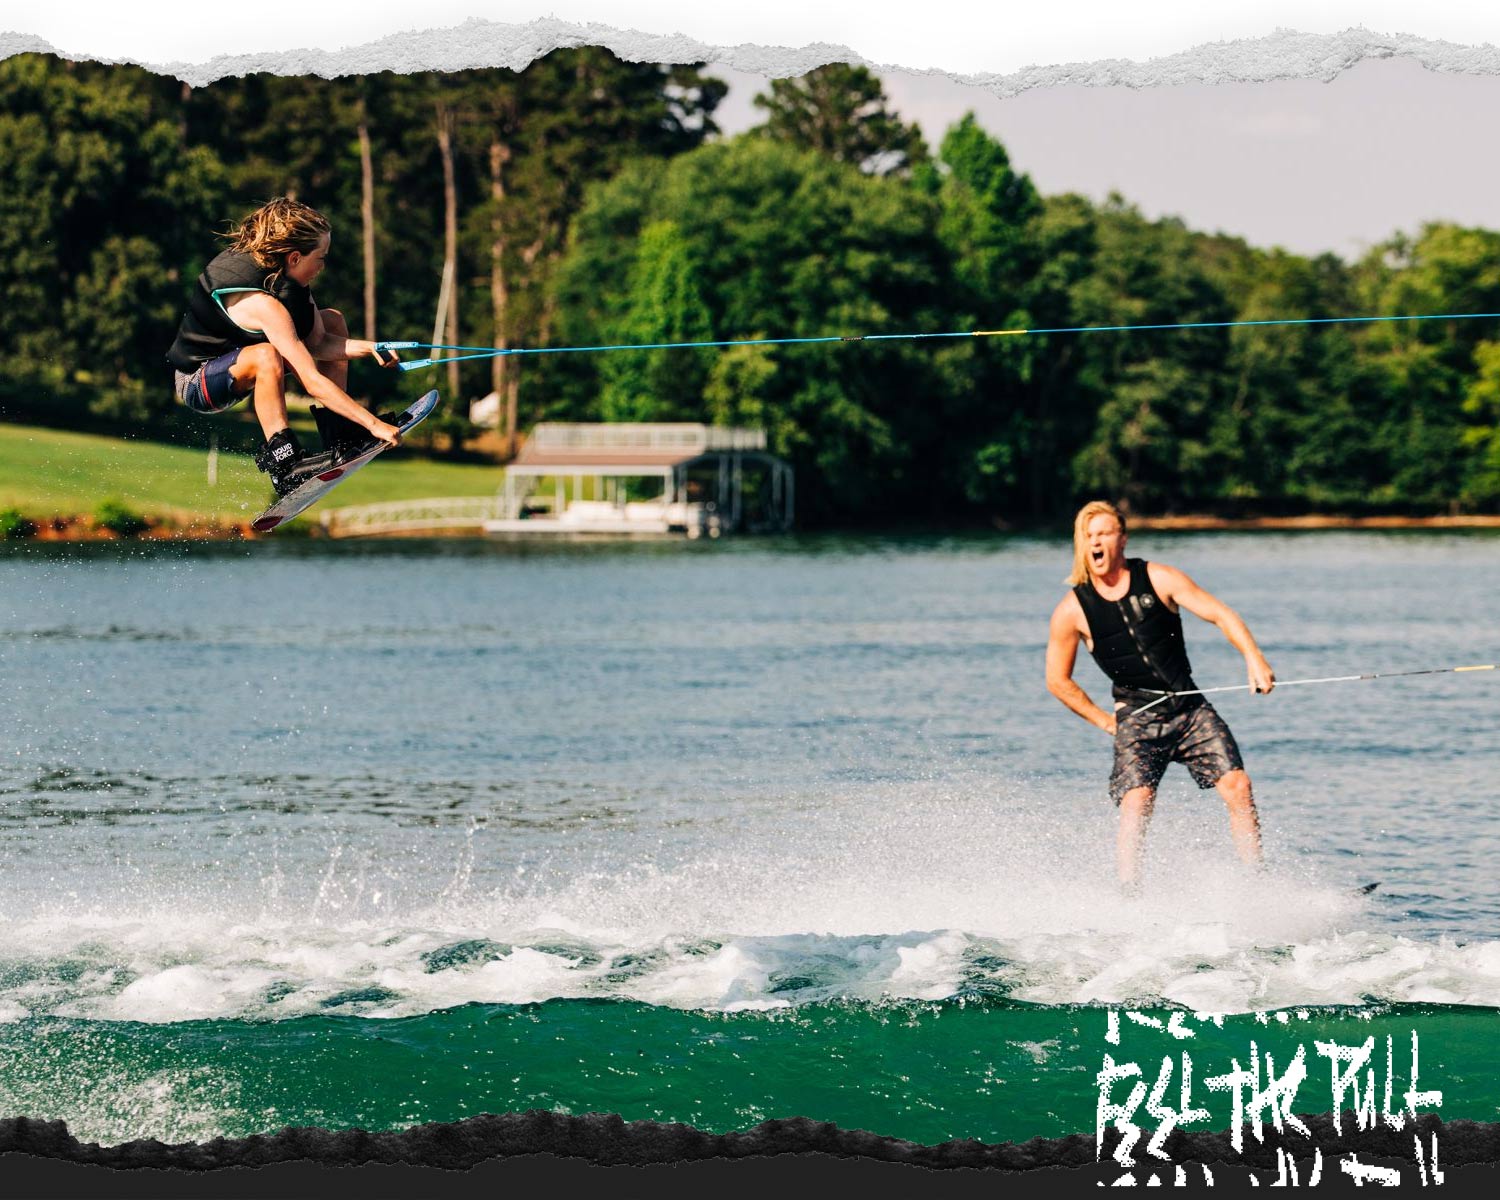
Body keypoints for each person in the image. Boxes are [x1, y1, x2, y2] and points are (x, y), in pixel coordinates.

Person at [1045, 500, 1276, 889]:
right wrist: (1106, 721)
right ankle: (1129, 895)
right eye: (1088, 537)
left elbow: (1219, 613)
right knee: (1137, 801)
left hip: (1188, 707)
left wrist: (1254, 657)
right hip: (1137, 716)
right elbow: (1057, 680)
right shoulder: (1072, 610)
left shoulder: (1159, 577)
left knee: (1239, 786)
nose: (1095, 542)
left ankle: (1258, 884)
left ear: (1122, 538)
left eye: (1103, 533)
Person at [166, 197, 403, 495]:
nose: (323, 265)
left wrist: (373, 347)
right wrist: (373, 424)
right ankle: (285, 464)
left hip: (237, 365)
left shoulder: (290, 282)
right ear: (294, 258)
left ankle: (340, 435)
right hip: (197, 382)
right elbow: (311, 380)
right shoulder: (264, 305)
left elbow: (320, 343)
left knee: (333, 320)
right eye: (321, 257)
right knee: (266, 355)